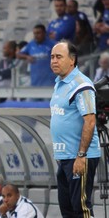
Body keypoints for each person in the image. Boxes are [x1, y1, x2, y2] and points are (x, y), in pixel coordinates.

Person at [50, 40, 101, 217]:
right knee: (67, 209)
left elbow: (90, 121)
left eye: (58, 57)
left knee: (81, 209)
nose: (54, 61)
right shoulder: (59, 83)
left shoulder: (81, 85)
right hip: (65, 157)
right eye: (52, 57)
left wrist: (81, 156)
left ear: (72, 60)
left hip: (79, 157)